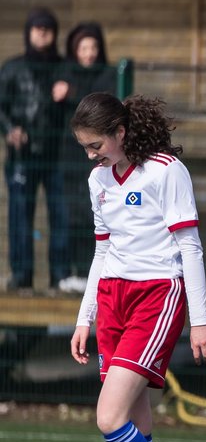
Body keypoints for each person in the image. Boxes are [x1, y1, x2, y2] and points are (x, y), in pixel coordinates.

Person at [68, 92, 206, 442]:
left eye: (97, 145)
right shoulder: (98, 181)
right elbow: (102, 252)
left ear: (121, 132)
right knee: (137, 427)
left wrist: (200, 318)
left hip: (156, 297)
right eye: (86, 148)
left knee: (109, 418)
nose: (92, 155)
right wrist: (83, 317)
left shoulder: (166, 170)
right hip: (112, 299)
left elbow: (189, 245)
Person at [0, 6, 70, 290]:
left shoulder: (64, 68)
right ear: (28, 32)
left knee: (62, 215)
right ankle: (21, 277)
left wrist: (70, 91)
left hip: (58, 156)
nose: (42, 33)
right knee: (19, 215)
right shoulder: (12, 68)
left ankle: (61, 276)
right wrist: (9, 130)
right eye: (37, 28)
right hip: (22, 157)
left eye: (48, 29)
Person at [53, 21, 116, 292]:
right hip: (69, 157)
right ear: (75, 50)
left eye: (93, 47)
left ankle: (96, 273)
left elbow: (105, 101)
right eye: (83, 47)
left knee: (98, 215)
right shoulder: (63, 72)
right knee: (72, 215)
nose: (89, 53)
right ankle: (72, 272)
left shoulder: (108, 75)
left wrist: (72, 94)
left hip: (99, 158)